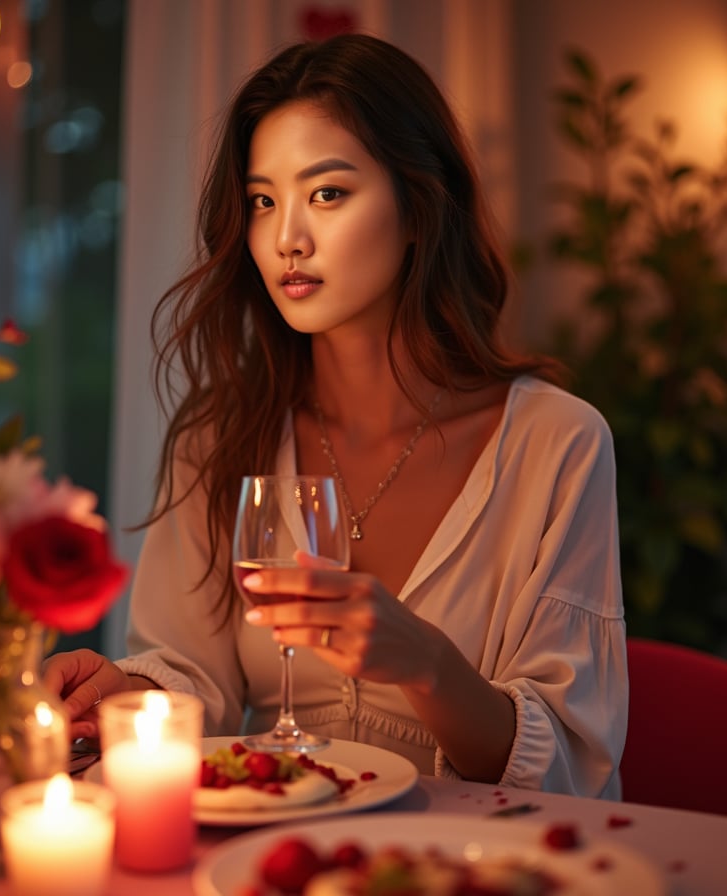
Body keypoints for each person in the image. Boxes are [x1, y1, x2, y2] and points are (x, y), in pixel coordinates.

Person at [43, 33, 627, 797]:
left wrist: (426, 661)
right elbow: (193, 672)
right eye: (263, 202)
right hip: (275, 856)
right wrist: (125, 692)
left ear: (420, 207)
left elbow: (570, 767)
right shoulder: (221, 437)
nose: (287, 238)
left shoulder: (558, 444)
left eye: (326, 193)